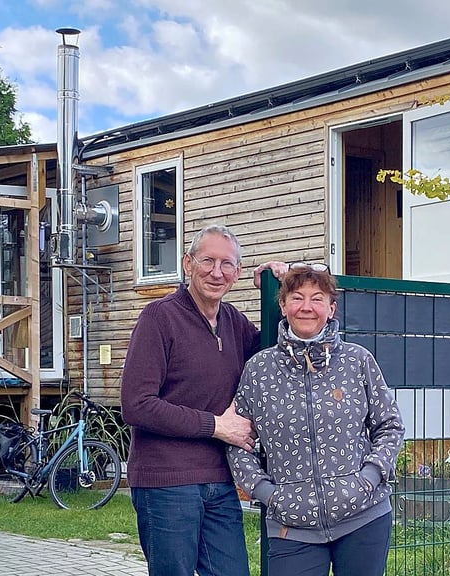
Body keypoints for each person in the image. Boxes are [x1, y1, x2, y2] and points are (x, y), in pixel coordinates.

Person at [121, 224, 286, 576]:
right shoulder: (159, 317)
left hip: (220, 479)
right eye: (207, 261)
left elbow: (276, 353)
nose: (216, 272)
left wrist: (279, 291)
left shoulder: (234, 321)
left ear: (238, 273)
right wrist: (216, 426)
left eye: (227, 264)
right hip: (166, 480)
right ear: (188, 263)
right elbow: (137, 404)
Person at [227, 263, 405, 576]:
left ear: (331, 309)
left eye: (317, 298)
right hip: (291, 525)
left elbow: (389, 425)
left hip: (363, 517)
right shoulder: (259, 370)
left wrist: (369, 477)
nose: (306, 307)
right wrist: (265, 492)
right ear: (283, 306)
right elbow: (237, 438)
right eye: (297, 298)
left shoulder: (357, 360)